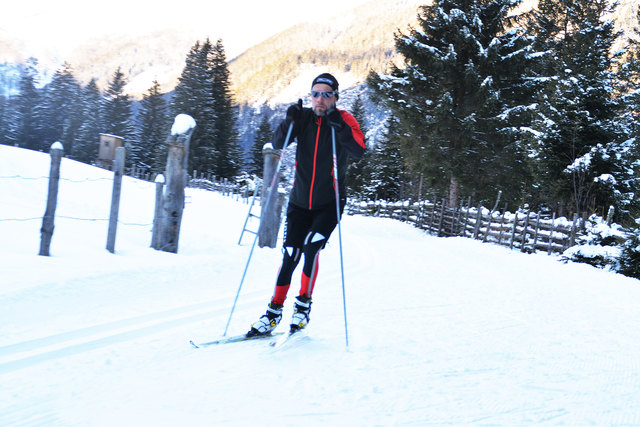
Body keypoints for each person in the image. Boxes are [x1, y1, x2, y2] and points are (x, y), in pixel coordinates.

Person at [247, 73, 366, 337]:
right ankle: (273, 313)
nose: (319, 99)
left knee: (311, 248)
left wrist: (340, 128)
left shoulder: (345, 120)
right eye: (315, 93)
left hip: (329, 203)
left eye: (326, 94)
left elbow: (359, 150)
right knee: (291, 253)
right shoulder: (304, 119)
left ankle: (302, 307)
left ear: (335, 97)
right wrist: (289, 121)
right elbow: (278, 143)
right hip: (299, 202)